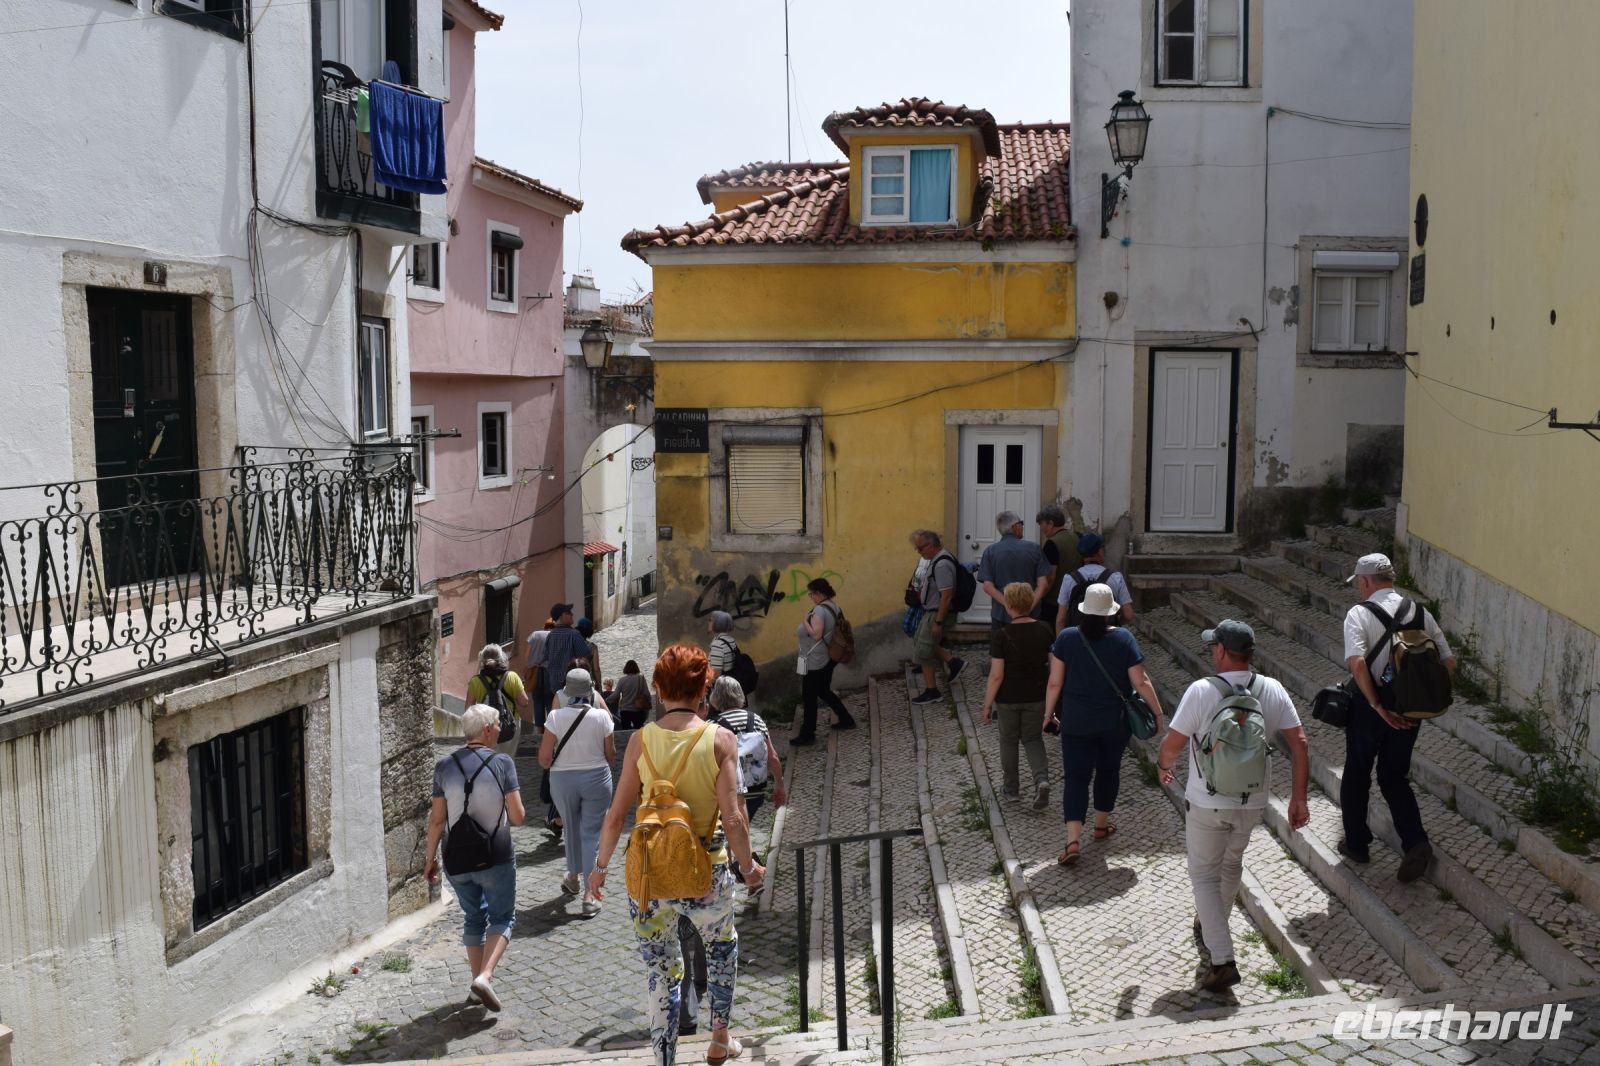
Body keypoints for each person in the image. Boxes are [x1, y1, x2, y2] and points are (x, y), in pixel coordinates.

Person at [588, 645, 765, 1066]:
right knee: (721, 948)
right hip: (707, 871)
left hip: (651, 877)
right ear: (704, 686)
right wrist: (749, 867)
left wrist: (599, 869)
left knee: (661, 969)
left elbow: (615, 817)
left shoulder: (641, 741)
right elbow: (735, 819)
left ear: (658, 687)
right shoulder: (720, 739)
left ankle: (664, 1057)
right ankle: (720, 1038)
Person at [1156, 620, 1311, 993]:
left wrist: (1164, 767)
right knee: (1231, 864)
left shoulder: (1201, 691)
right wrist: (1299, 797)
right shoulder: (1271, 689)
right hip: (1251, 801)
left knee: (1204, 876)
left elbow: (1172, 745)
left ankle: (1222, 958)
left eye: (1214, 647)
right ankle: (1212, 925)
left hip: (1207, 801)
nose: (1212, 652)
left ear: (1223, 651)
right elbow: (1300, 743)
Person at [1339, 552, 1456, 883]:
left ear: (1364, 581)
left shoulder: (1358, 614)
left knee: (1358, 773)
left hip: (1370, 707)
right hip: (1410, 708)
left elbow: (1357, 663)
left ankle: (1358, 845)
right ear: (1390, 578)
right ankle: (1416, 842)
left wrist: (1377, 705)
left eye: (1358, 584)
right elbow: (1448, 663)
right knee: (1394, 777)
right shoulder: (1420, 612)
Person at [1044, 583, 1164, 864]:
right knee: (1109, 771)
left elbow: (1054, 682)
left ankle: (1072, 842)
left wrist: (1048, 715)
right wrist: (1157, 714)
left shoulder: (1067, 638)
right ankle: (1100, 826)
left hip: (1076, 722)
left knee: (1075, 778)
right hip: (1114, 723)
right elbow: (1141, 681)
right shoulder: (1124, 639)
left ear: (1083, 610)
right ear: (1111, 612)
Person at [423, 703, 526, 1012]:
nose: (499, 729)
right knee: (502, 917)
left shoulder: (444, 766)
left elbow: (437, 820)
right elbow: (519, 817)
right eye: (496, 724)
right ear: (486, 730)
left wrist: (430, 860)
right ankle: (485, 976)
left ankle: (475, 988)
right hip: (495, 855)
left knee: (473, 917)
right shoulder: (503, 762)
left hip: (456, 858)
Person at [541, 668, 617, 917]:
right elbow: (611, 756)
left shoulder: (554, 717)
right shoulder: (602, 718)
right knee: (591, 834)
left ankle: (573, 876)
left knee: (571, 828)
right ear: (590, 691)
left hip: (562, 779)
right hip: (596, 778)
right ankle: (589, 894)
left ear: (566, 691)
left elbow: (543, 760)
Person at [979, 582, 1054, 808]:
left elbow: (996, 676)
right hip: (1036, 695)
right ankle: (1041, 779)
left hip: (1008, 698)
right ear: (1030, 603)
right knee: (1033, 739)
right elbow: (1052, 666)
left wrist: (987, 704)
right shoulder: (1045, 629)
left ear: (1008, 605)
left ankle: (1011, 789)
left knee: (1008, 741)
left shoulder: (1002, 635)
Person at [707, 674, 788, 824]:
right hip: (755, 790)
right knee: (744, 824)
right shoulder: (756, 719)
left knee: (729, 828)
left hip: (728, 792)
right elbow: (773, 757)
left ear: (715, 698)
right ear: (739, 694)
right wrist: (779, 785)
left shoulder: (712, 725)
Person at [793, 577, 856, 745]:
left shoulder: (820, 610)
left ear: (819, 593)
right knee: (822, 690)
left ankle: (808, 734)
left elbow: (816, 634)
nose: (811, 597)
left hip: (816, 659)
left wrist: (805, 621)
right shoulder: (834, 606)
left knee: (809, 695)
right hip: (827, 657)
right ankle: (846, 719)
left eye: (811, 594)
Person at [909, 530, 967, 705]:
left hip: (936, 613)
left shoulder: (941, 564)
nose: (919, 552)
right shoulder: (937, 559)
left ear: (930, 545)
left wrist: (938, 622)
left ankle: (932, 691)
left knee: (924, 652)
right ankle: (953, 662)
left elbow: (947, 596)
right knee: (923, 642)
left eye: (920, 548)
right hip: (931, 612)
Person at [977, 510, 1051, 629]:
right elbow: (1043, 584)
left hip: (1001, 613)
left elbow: (987, 587)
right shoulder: (1034, 549)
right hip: (1031, 614)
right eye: (1021, 523)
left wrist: (1008, 606)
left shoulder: (990, 551)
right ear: (1015, 526)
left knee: (1001, 646)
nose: (1022, 526)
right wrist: (1028, 608)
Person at [1055, 533, 1134, 631]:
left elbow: (1060, 620)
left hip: (1079, 636)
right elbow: (1128, 615)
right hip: (1107, 636)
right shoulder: (1116, 578)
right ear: (1099, 552)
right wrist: (1116, 623)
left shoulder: (1069, 579)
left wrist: (1061, 644)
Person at [466, 644, 531, 757]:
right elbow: (524, 702)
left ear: (482, 660)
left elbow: (468, 708)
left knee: (488, 759)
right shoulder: (512, 677)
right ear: (502, 658)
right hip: (511, 722)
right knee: (508, 758)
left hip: (486, 725)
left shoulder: (475, 681)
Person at [541, 603, 591, 709]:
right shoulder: (574, 634)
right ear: (560, 616)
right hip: (572, 686)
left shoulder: (550, 635)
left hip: (555, 687)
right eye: (568, 612)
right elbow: (585, 655)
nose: (572, 614)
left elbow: (545, 656)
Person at [1036, 505, 1081, 616]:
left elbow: (1051, 576)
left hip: (1055, 601)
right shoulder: (1078, 537)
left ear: (1050, 523)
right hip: (1076, 597)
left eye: (1041, 524)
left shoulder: (1051, 544)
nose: (1041, 529)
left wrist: (1040, 596)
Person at [525, 618, 556, 732]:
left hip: (535, 672)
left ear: (545, 626)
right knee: (550, 700)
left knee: (537, 700)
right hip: (550, 672)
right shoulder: (555, 637)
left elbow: (526, 655)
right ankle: (551, 730)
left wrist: (531, 665)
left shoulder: (534, 635)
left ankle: (539, 730)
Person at [614, 659, 654, 729]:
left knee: (625, 732)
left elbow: (616, 694)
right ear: (636, 668)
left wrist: (606, 700)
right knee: (638, 731)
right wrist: (649, 703)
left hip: (625, 710)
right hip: (638, 710)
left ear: (626, 668)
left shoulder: (622, 680)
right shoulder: (641, 679)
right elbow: (647, 693)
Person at [707, 611, 738, 677]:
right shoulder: (731, 640)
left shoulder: (717, 644)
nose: (708, 622)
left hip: (720, 685)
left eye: (710, 620)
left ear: (717, 623)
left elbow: (716, 674)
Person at [577, 616, 603, 685]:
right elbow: (596, 669)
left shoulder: (572, 644)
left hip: (573, 680)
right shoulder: (593, 647)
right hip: (588, 681)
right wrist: (599, 685)